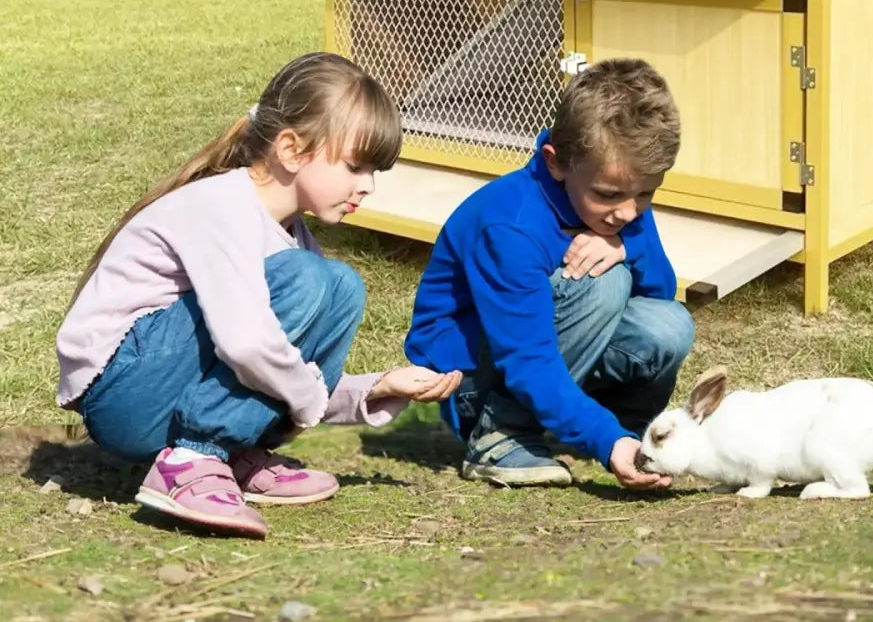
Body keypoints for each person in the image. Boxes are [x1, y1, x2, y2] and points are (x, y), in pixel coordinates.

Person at [56, 52, 461, 538]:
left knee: (341, 286)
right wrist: (308, 400)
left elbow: (280, 369)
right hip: (125, 398)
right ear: (291, 149)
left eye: (375, 171)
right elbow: (248, 346)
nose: (368, 185)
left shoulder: (289, 235)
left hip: (167, 395)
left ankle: (230, 453)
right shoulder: (222, 206)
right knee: (311, 279)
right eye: (356, 166)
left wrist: (373, 390)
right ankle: (192, 460)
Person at [404, 58, 695, 490]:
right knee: (603, 283)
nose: (628, 211)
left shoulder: (618, 198)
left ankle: (620, 432)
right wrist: (604, 439)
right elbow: (526, 357)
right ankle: (500, 435)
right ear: (557, 163)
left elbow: (659, 291)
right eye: (610, 195)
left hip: (546, 358)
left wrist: (628, 247)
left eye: (646, 194)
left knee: (670, 324)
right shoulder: (512, 226)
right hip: (468, 382)